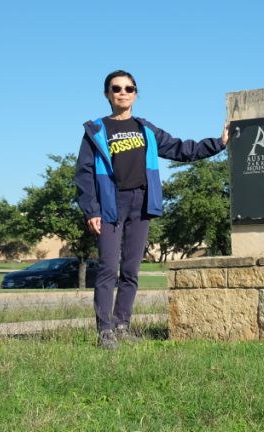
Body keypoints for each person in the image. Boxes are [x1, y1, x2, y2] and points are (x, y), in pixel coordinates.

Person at [75, 70, 229, 350]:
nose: (123, 92)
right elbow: (84, 175)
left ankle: (122, 325)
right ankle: (105, 331)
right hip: (110, 203)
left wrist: (218, 144)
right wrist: (91, 210)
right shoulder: (95, 130)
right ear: (108, 94)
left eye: (129, 88)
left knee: (131, 269)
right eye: (117, 88)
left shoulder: (146, 129)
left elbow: (181, 149)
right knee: (109, 267)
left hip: (142, 202)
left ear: (135, 93)